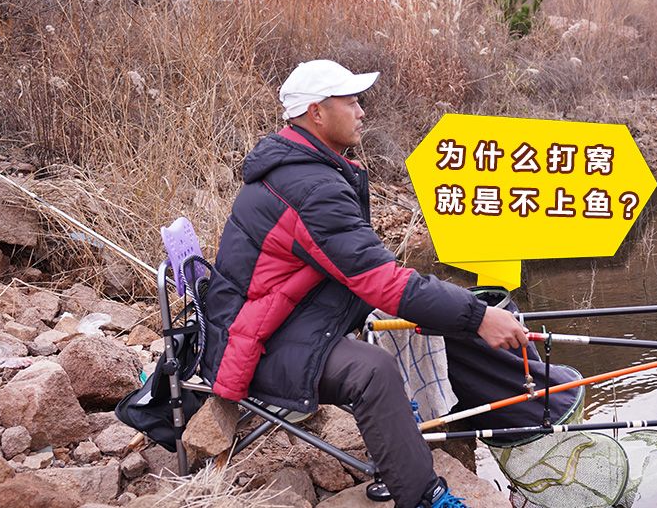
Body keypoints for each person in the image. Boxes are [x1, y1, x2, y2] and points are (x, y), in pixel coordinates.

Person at [202, 59, 529, 507]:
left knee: (401, 324)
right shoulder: (311, 185)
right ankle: (422, 497)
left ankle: (398, 447)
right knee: (372, 370)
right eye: (351, 101)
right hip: (251, 343)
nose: (362, 112)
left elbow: (363, 273)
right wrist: (477, 317)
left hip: (271, 320)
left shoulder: (306, 166)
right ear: (316, 112)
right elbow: (381, 280)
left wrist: (458, 313)